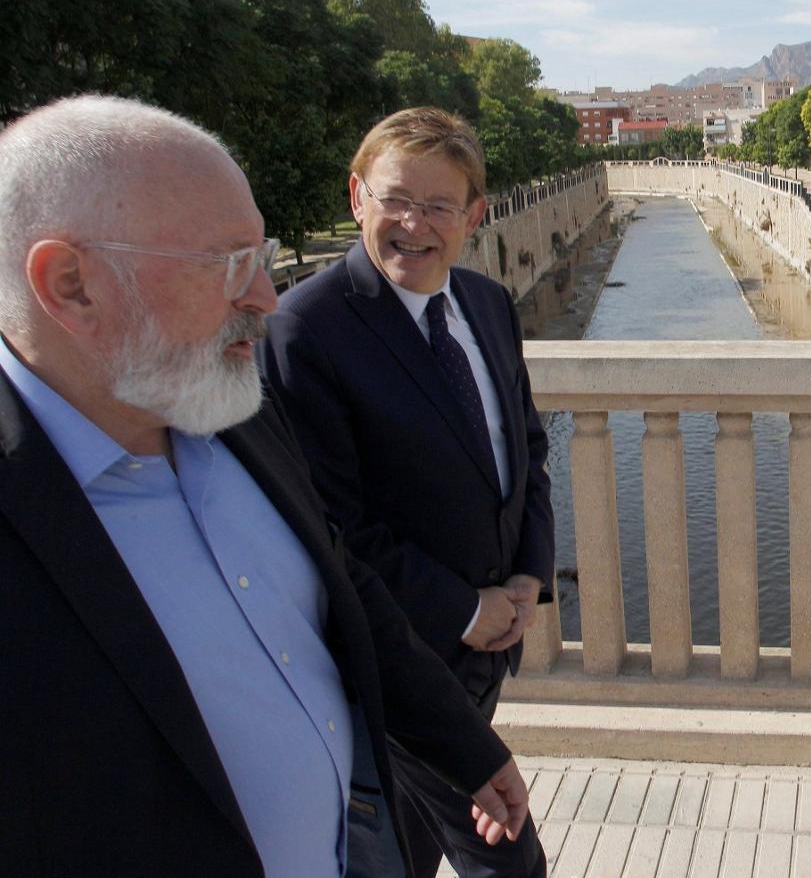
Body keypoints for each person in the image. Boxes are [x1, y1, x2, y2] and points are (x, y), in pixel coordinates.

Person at [0, 94, 531, 878]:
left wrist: (467, 747)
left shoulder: (232, 409)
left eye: (262, 255)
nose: (265, 298)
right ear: (72, 284)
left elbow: (343, 581)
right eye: (229, 264)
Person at [260, 107, 553, 878]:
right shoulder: (305, 331)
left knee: (408, 853)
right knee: (510, 860)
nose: (412, 226)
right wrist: (464, 608)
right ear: (357, 198)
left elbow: (525, 450)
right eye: (394, 199)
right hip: (402, 665)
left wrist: (528, 575)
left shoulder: (488, 304)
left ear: (474, 216)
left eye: (438, 207)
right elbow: (329, 527)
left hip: (490, 652)